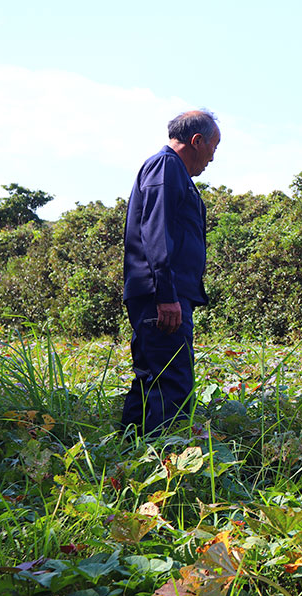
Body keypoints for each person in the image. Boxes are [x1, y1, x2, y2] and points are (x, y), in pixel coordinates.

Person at [121, 110, 221, 435]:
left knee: (151, 380)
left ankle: (129, 459)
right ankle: (168, 466)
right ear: (197, 141)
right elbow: (155, 230)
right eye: (213, 148)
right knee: (173, 383)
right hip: (161, 298)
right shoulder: (165, 167)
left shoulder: (173, 172)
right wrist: (167, 295)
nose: (211, 159)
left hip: (160, 295)